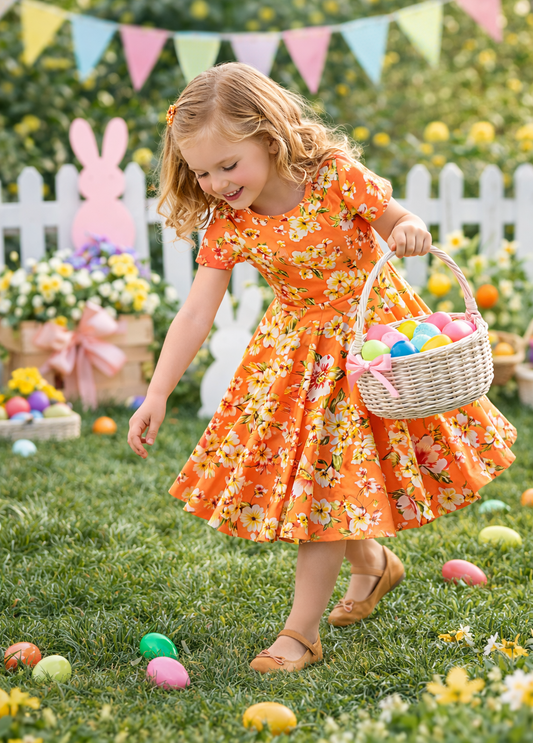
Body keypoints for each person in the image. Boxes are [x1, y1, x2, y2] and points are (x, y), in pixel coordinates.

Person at [128, 62, 517, 674]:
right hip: (294, 359)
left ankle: (300, 632)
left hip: (369, 347)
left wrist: (411, 230)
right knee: (322, 485)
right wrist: (155, 393)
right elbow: (197, 310)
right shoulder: (229, 221)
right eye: (201, 172)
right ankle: (372, 564)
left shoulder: (333, 177)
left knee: (326, 487)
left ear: (272, 136)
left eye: (229, 166)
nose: (216, 184)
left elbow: (397, 221)